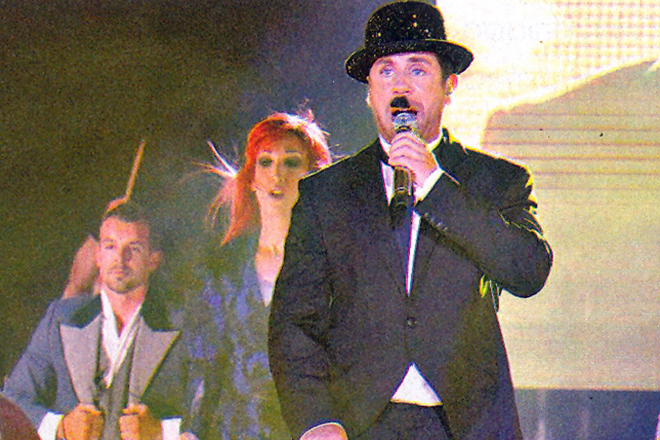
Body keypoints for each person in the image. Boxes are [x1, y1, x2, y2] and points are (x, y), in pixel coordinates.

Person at [268, 2, 553, 440]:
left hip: (465, 426)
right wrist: (317, 420)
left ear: (448, 86)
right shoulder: (327, 193)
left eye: (417, 69)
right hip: (361, 426)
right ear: (369, 91)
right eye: (386, 71)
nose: (400, 86)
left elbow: (528, 271)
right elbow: (294, 322)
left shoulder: (496, 180)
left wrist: (435, 184)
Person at [3, 202, 215, 440]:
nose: (120, 259)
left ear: (153, 260)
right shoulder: (61, 318)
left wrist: (162, 432)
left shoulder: (187, 326)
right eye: (110, 246)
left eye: (133, 248)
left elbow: (215, 415)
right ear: (98, 256)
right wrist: (62, 427)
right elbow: (12, 401)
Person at [188, 112, 331, 438]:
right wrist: (191, 432)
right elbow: (205, 365)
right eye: (266, 162)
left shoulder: (336, 263)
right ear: (252, 177)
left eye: (291, 163)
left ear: (313, 176)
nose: (277, 175)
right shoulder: (221, 268)